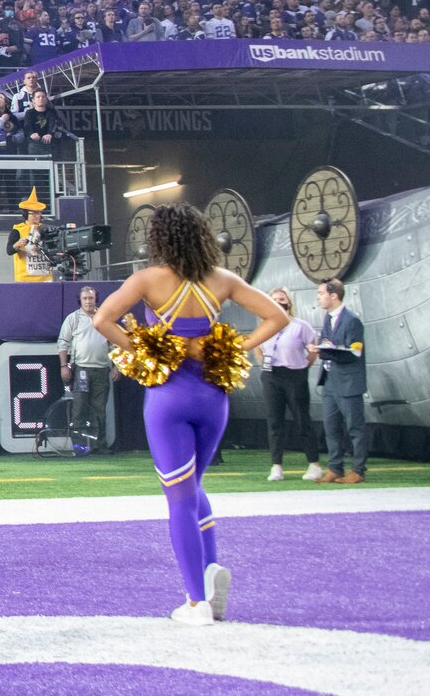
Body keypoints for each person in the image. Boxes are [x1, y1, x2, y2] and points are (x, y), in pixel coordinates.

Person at [93, 203, 289, 625]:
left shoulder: (147, 279)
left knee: (179, 497)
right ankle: (210, 571)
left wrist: (148, 349)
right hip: (213, 397)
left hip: (169, 398)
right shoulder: (223, 280)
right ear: (201, 236)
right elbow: (278, 316)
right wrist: (237, 346)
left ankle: (196, 602)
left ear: (160, 239)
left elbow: (103, 320)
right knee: (194, 485)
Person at [257, 287, 323, 482]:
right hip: (271, 375)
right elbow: (258, 348)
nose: (279, 302)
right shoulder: (264, 325)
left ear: (288, 302)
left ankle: (314, 463)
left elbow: (313, 347)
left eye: (282, 299)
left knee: (302, 418)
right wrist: (264, 364)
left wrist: (304, 367)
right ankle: (276, 466)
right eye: (274, 299)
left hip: (294, 374)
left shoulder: (299, 326)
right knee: (274, 421)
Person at [314, 278, 368, 485]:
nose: (318, 298)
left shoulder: (352, 320)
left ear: (333, 295)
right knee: (331, 427)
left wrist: (329, 351)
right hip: (329, 381)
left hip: (348, 382)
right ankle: (335, 468)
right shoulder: (328, 318)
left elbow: (355, 352)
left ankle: (358, 470)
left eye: (321, 294)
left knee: (355, 428)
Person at [57, 285, 115, 454]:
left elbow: (113, 344)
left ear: (96, 299)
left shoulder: (105, 317)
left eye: (91, 298)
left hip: (102, 369)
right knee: (79, 408)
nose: (88, 301)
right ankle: (79, 446)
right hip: (81, 369)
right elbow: (63, 343)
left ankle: (99, 446)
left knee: (100, 410)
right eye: (85, 298)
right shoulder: (73, 319)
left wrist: (117, 366)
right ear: (80, 300)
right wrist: (63, 366)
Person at [8, 189, 52, 281]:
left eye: (38, 213)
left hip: (45, 278)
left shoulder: (47, 229)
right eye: (33, 213)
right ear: (25, 214)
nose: (36, 215)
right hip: (25, 279)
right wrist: (17, 244)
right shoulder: (17, 230)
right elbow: (9, 250)